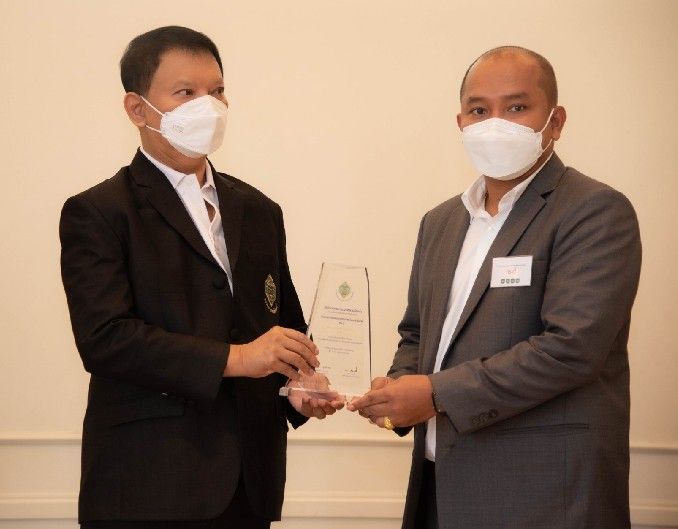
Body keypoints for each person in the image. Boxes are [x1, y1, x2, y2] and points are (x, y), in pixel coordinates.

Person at [59, 26, 343, 529]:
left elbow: (281, 327)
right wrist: (239, 358)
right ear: (137, 108)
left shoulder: (259, 209)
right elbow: (106, 340)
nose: (207, 106)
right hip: (148, 484)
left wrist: (298, 385)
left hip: (250, 485)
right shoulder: (99, 211)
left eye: (217, 90)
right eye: (186, 93)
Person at [349, 46, 641, 529]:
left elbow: (570, 350)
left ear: (555, 121)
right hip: (440, 486)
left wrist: (435, 394)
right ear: (461, 122)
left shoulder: (594, 211)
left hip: (545, 495)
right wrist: (396, 388)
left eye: (517, 107)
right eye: (480, 110)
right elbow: (417, 333)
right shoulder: (441, 221)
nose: (495, 124)